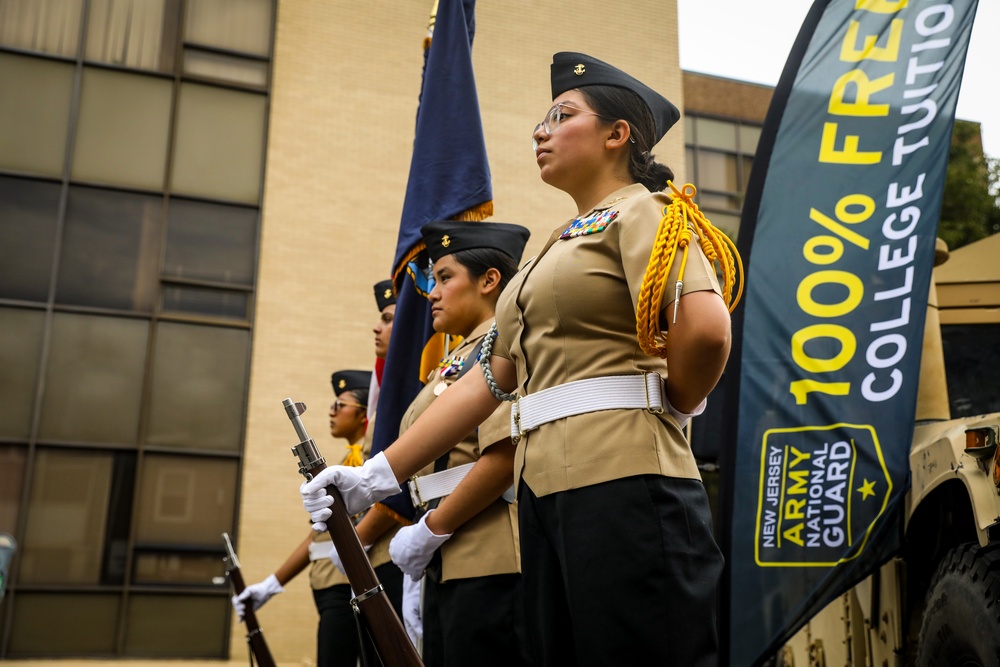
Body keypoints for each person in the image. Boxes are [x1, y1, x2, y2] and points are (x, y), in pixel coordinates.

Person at [301, 52, 741, 667]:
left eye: (562, 115)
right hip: (545, 493)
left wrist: (669, 406)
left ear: (618, 135)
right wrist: (375, 476)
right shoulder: (551, 249)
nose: (541, 130)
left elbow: (707, 333)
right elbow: (490, 380)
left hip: (628, 477)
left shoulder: (648, 211)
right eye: (542, 119)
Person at [234, 282, 404, 667]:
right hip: (331, 583)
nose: (331, 411)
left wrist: (354, 543)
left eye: (339, 404)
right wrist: (272, 584)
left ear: (364, 413)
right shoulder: (350, 458)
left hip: (363, 579)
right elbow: (317, 536)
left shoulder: (372, 448)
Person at [388, 219, 532, 666]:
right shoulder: (455, 359)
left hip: (486, 558)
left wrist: (430, 531)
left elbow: (506, 455)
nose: (431, 291)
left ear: (490, 280)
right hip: (447, 556)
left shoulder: (503, 348)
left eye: (445, 277)